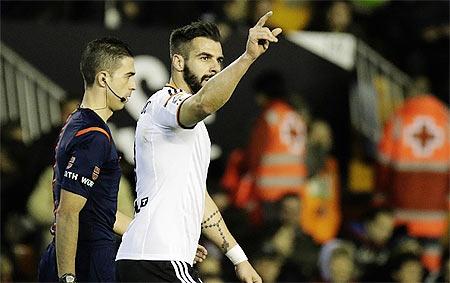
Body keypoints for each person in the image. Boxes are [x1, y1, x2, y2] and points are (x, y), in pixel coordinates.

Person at [116, 11, 282, 283]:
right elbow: (204, 103)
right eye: (204, 58)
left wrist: (239, 258)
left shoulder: (192, 128)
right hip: (158, 259)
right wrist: (248, 57)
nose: (215, 67)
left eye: (219, 60)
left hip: (151, 258)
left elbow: (199, 198)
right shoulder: (164, 102)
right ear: (178, 62)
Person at [37, 37, 136, 283]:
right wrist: (68, 277)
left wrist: (161, 248)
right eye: (127, 76)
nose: (133, 86)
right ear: (103, 78)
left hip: (74, 257)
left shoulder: (76, 123)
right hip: (86, 263)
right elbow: (68, 212)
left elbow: (101, 212)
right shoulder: (94, 136)